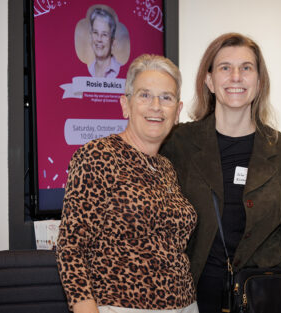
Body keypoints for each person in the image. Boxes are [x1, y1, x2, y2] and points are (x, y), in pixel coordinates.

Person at [161, 33, 281, 313]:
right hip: (194, 296)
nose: (236, 76)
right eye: (225, 67)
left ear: (259, 83)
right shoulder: (179, 143)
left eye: (246, 68)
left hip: (263, 297)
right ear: (209, 81)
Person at [56, 54, 199, 313]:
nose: (156, 106)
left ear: (177, 112)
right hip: (121, 306)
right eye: (145, 95)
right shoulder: (97, 155)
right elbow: (71, 249)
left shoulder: (166, 167)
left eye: (166, 98)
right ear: (125, 105)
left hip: (185, 305)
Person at [88, 7, 121, 78]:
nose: (99, 39)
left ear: (112, 41)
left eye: (104, 34)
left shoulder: (121, 71)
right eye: (95, 33)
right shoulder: (88, 70)